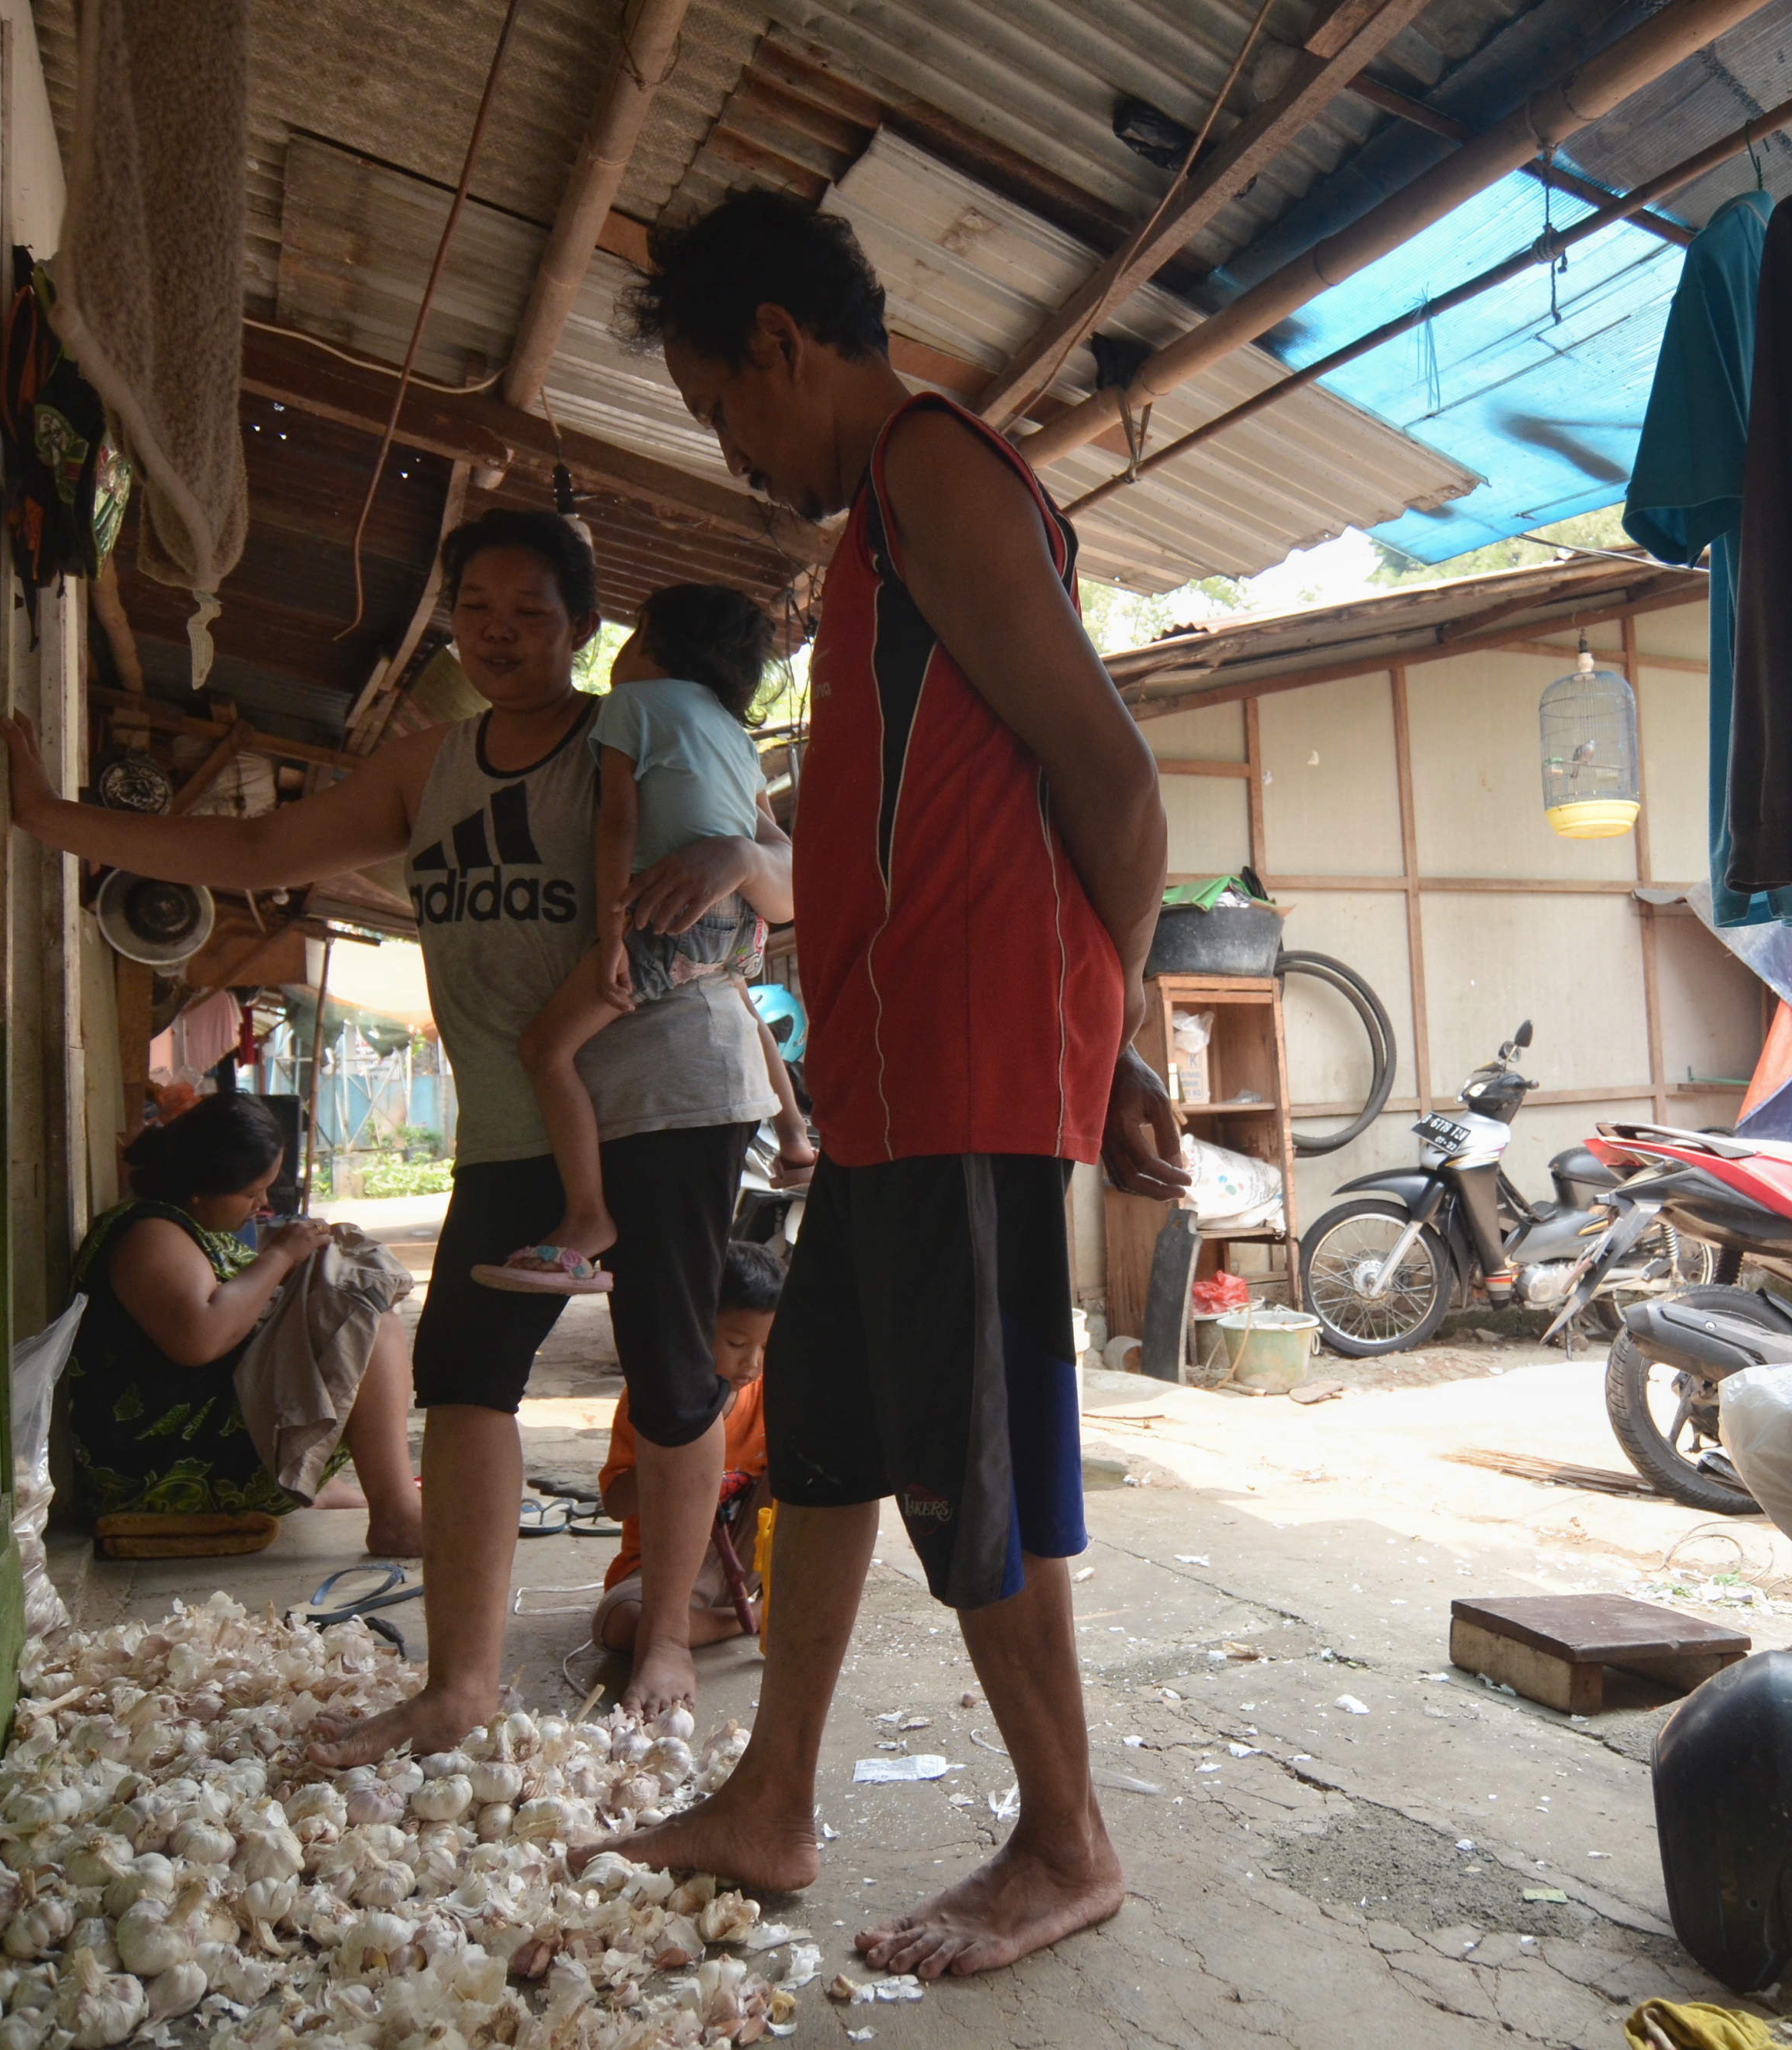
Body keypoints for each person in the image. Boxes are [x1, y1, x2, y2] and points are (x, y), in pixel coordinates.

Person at [583, 188, 1191, 1982]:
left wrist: (1092, 1042)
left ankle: (1067, 1842)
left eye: (721, 410)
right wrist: (1121, 1034)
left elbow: (1115, 783)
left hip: (965, 1075)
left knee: (956, 1470)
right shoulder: (868, 544)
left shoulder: (933, 473)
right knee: (832, 1443)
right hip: (888, 1094)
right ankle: (773, 1800)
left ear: (781, 343)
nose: (735, 452)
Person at [2, 507, 790, 1753]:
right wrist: (55, 822)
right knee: (466, 1373)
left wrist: (744, 848)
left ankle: (670, 1642)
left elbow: (787, 877)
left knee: (672, 1364)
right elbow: (260, 843)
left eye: (532, 611)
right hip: (512, 1113)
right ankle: (457, 1687)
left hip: (671, 1090)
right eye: (475, 608)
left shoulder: (639, 725)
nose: (499, 633)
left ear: (585, 629)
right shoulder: (433, 766)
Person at [476, 585, 800, 1296]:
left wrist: (611, 932)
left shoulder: (629, 707)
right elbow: (766, 855)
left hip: (661, 906)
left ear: (650, 637)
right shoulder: (737, 736)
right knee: (743, 1001)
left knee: (545, 1047)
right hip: (733, 924)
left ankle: (587, 1216)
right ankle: (798, 1138)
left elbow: (617, 823)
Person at [66, 1091, 423, 1553]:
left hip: (186, 1436)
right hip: (156, 1463)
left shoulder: (180, 1225)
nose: (263, 1204)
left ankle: (359, 1495)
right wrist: (278, 1257)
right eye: (251, 1193)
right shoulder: (149, 1233)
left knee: (356, 1299)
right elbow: (201, 1337)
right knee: (368, 1323)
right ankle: (396, 1516)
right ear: (201, 1187)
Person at [590, 1240, 781, 1653]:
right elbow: (616, 1505)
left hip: (746, 1558)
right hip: (665, 1569)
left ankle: (754, 1609)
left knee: (799, 1462)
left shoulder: (770, 1396)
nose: (752, 1364)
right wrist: (674, 1456)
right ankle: (748, 1621)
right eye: (735, 1344)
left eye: (765, 1347)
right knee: (620, 1625)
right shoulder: (652, 1402)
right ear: (696, 1326)